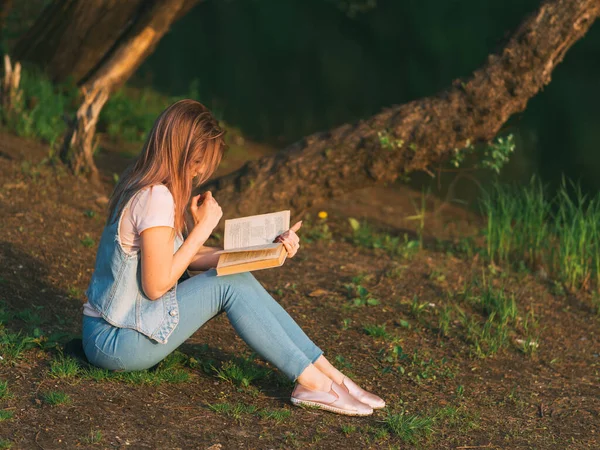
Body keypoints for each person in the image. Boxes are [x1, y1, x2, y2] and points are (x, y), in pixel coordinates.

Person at [81, 99, 385, 416]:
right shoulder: (155, 197)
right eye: (199, 162)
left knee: (235, 278)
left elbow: (186, 257)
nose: (200, 172)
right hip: (114, 341)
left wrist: (265, 249)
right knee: (229, 285)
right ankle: (315, 384)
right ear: (182, 153)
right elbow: (157, 285)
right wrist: (205, 227)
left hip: (117, 331)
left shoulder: (145, 184)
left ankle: (332, 378)